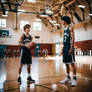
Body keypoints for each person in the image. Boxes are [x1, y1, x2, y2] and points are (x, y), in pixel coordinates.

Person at [60, 16, 77, 86]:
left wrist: (71, 48)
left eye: (62, 20)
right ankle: (67, 78)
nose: (61, 22)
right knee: (66, 63)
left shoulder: (70, 27)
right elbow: (64, 41)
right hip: (65, 47)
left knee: (72, 63)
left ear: (65, 21)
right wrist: (62, 49)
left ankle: (75, 79)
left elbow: (73, 39)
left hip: (69, 46)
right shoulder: (64, 29)